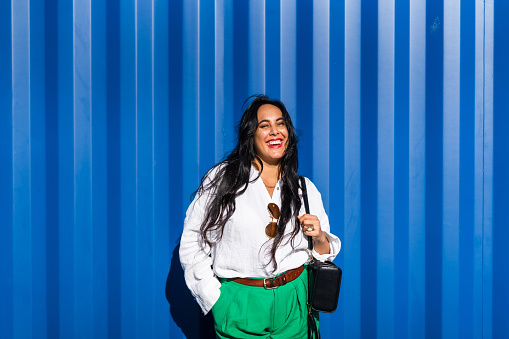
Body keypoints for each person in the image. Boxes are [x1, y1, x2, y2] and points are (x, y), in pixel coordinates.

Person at [179, 95, 341, 338]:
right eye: (264, 126)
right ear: (250, 135)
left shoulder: (303, 188)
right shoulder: (223, 180)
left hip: (294, 302)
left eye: (281, 123)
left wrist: (318, 237)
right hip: (241, 303)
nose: (275, 131)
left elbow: (325, 251)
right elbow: (193, 241)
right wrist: (215, 299)